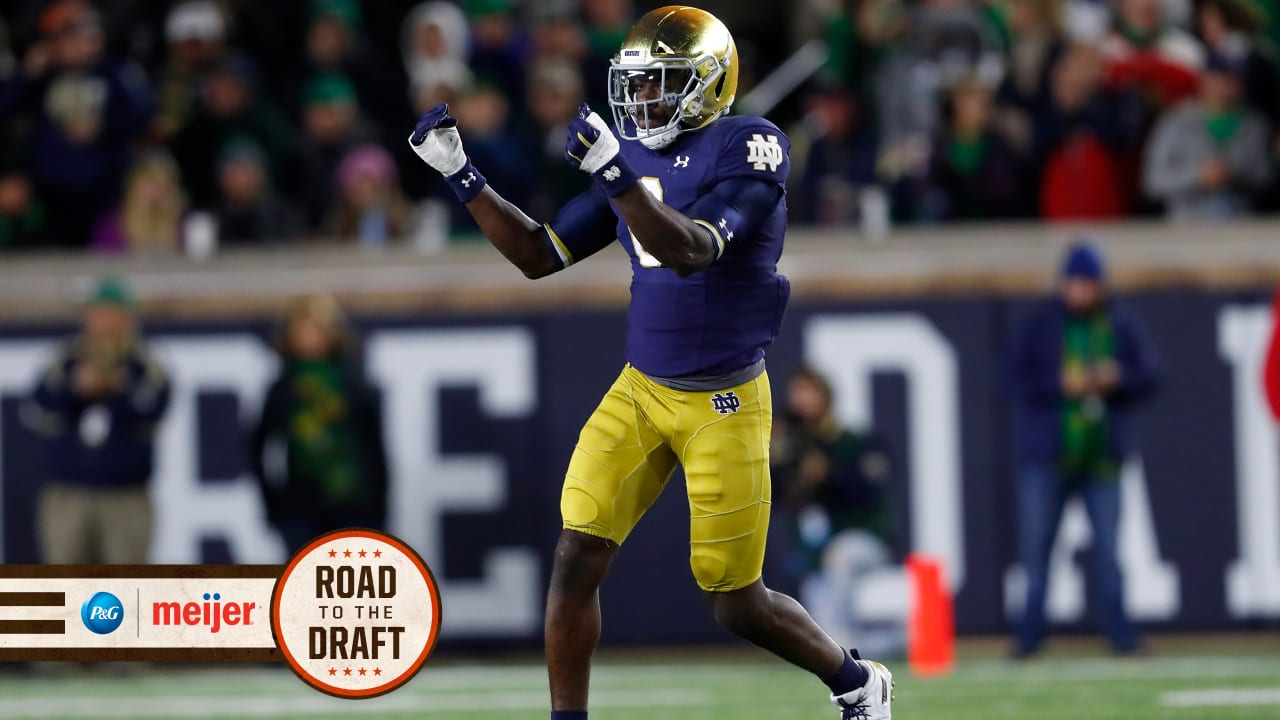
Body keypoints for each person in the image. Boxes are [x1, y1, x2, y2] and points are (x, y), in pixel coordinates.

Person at [407, 7, 894, 720]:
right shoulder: (630, 154)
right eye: (637, 85)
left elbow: (692, 250)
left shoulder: (749, 144)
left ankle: (855, 680)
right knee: (575, 557)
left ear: (710, 83)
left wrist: (614, 173)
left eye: (663, 85)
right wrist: (462, 175)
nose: (645, 102)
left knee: (735, 602)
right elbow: (541, 255)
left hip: (724, 399)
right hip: (642, 389)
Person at [1009, 241, 1162, 658]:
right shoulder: (1042, 322)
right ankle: (1028, 638)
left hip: (1101, 457)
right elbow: (1012, 377)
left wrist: (1119, 378)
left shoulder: (1118, 321)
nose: (1081, 291)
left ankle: (1120, 635)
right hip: (1049, 455)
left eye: (1088, 284)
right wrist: (1058, 385)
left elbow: (1151, 373)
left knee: (1111, 551)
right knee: (1037, 551)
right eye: (1075, 283)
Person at [26, 277, 170, 564]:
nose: (98, 321)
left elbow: (153, 407)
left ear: (126, 317)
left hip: (124, 494)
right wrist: (77, 390)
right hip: (69, 492)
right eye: (93, 313)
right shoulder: (66, 359)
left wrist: (117, 388)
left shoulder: (143, 362)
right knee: (66, 585)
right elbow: (39, 407)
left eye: (106, 313)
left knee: (126, 588)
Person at [771, 368, 902, 659]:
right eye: (797, 394)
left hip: (863, 539)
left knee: (840, 557)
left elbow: (867, 493)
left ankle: (846, 656)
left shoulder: (855, 441)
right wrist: (786, 467)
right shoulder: (792, 447)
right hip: (816, 552)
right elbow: (776, 497)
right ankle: (887, 644)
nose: (802, 402)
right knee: (820, 627)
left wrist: (829, 474)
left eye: (809, 392)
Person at [249, 294, 388, 555]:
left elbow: (374, 446)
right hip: (299, 507)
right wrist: (272, 503)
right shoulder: (283, 389)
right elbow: (258, 446)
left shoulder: (353, 385)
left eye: (316, 330)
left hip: (353, 505)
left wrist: (379, 507)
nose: (310, 339)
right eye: (302, 331)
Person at [1142, 50, 1271, 220]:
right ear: (1205, 79)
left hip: (1240, 225)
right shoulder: (1175, 121)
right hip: (1187, 226)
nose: (1231, 84)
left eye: (1236, 78)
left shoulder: (1254, 123)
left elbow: (1265, 178)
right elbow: (1152, 181)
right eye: (1224, 77)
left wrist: (1233, 175)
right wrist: (1198, 176)